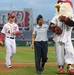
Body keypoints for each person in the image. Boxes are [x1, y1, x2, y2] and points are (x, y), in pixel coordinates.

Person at [49, 0, 74, 74]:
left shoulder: (72, 16)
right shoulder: (56, 17)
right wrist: (55, 28)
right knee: (59, 53)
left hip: (67, 38)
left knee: (70, 52)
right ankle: (60, 67)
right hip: (58, 38)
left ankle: (69, 66)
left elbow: (72, 24)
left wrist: (66, 19)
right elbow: (50, 26)